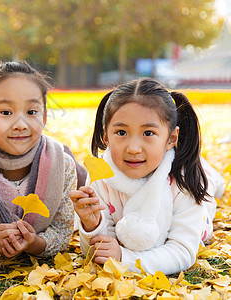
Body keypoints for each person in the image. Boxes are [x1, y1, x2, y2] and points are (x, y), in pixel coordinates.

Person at [71, 78, 222, 275]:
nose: (133, 148)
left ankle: (212, 176)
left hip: (192, 187)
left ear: (171, 139)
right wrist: (92, 224)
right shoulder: (101, 175)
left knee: (210, 186)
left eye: (148, 133)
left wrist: (125, 259)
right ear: (106, 136)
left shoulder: (186, 182)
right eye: (121, 132)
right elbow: (101, 249)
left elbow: (182, 251)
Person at [0, 61, 77, 258]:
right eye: (6, 112)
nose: (20, 125)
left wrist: (35, 243)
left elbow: (63, 230)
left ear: (44, 118)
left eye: (31, 112)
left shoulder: (63, 166)